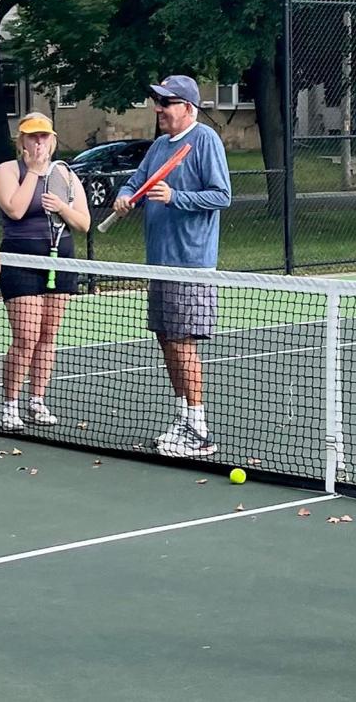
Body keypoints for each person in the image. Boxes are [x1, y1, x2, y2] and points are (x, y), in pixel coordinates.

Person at [112, 75, 231, 458]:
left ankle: (198, 428)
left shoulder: (206, 141)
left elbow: (222, 194)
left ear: (187, 108)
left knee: (182, 344)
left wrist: (176, 196)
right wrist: (126, 195)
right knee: (167, 341)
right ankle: (184, 417)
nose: (158, 109)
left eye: (166, 103)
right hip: (159, 264)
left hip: (189, 264)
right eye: (157, 102)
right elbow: (137, 180)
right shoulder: (160, 146)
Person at [0, 113, 90, 431]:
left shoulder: (67, 175)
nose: (38, 142)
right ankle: (10, 405)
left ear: (53, 140)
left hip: (59, 261)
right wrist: (33, 174)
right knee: (26, 337)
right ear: (21, 141)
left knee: (48, 337)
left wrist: (62, 207)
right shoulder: (7, 171)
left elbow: (83, 223)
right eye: (32, 136)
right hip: (21, 261)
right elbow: (15, 209)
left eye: (44, 136)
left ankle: (37, 400)